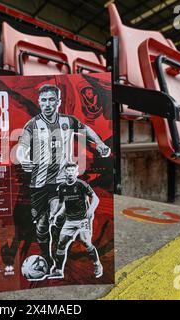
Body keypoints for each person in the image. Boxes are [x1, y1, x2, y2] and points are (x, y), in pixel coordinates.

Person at [16, 84, 110, 269]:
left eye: (52, 99)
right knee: (42, 227)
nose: (47, 104)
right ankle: (46, 257)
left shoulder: (68, 121)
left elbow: (87, 130)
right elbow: (21, 148)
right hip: (39, 184)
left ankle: (59, 256)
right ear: (39, 102)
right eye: (44, 100)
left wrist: (99, 143)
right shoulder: (33, 124)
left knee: (57, 217)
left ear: (58, 102)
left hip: (60, 182)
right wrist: (22, 159)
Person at [48, 162, 102, 279]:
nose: (70, 173)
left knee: (85, 241)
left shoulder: (81, 184)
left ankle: (97, 264)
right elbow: (63, 205)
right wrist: (55, 215)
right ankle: (58, 270)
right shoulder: (62, 187)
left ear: (76, 173)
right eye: (68, 171)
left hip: (83, 219)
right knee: (61, 243)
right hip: (70, 220)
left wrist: (91, 210)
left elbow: (96, 198)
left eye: (73, 171)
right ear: (65, 173)